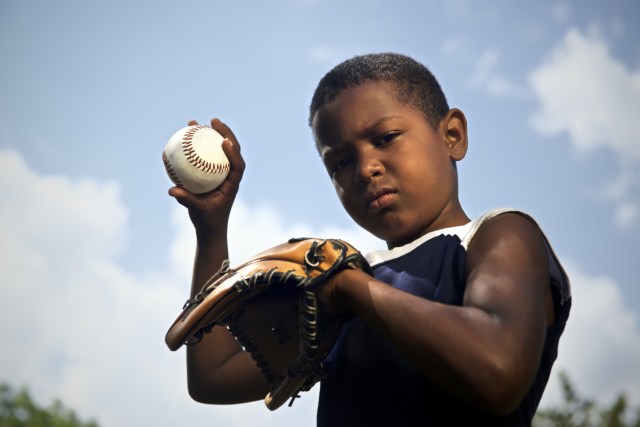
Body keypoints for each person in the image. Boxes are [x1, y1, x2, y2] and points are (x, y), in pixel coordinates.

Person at [168, 52, 571, 426]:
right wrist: (211, 229)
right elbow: (212, 376)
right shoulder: (337, 284)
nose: (365, 169)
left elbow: (497, 370)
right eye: (340, 162)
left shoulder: (497, 234)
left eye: (385, 138)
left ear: (452, 135)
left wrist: (350, 289)